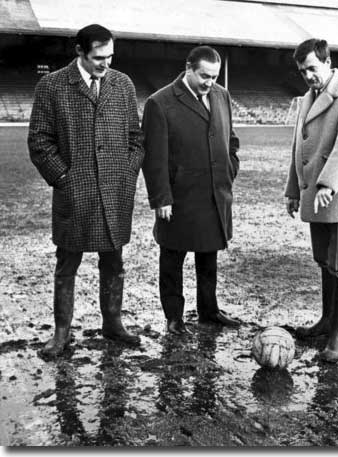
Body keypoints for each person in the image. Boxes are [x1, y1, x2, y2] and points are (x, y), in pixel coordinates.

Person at [28, 24, 144, 357]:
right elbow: (39, 141)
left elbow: (135, 139)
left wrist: (126, 171)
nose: (104, 64)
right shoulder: (52, 86)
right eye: (97, 57)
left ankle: (113, 323)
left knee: (114, 261)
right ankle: (62, 334)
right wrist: (63, 178)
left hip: (115, 192)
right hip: (74, 193)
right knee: (67, 264)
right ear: (79, 52)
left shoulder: (122, 84)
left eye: (110, 56)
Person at [142, 45, 240, 335]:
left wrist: (230, 168)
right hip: (179, 197)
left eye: (214, 76)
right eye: (204, 76)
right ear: (188, 68)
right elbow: (154, 156)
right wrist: (161, 198)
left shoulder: (221, 95)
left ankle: (209, 311)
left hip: (214, 195)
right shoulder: (160, 102)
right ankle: (174, 317)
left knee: (209, 258)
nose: (210, 82)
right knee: (172, 259)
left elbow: (230, 139)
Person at [285, 38, 338, 362]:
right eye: (302, 70)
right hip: (315, 193)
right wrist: (294, 190)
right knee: (323, 260)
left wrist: (327, 185)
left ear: (328, 61)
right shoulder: (308, 97)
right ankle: (325, 321)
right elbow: (299, 147)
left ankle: (337, 337)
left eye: (312, 68)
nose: (307, 75)